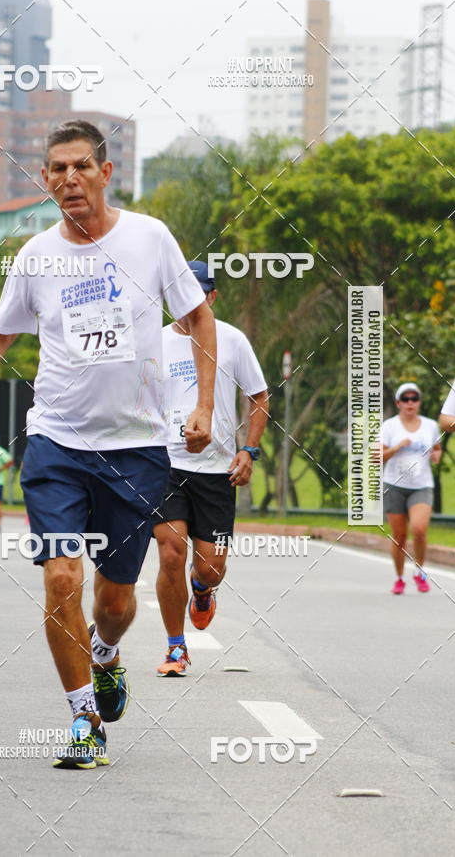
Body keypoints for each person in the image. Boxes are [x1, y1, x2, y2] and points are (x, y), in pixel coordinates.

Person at [0, 119, 216, 769]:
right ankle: (83, 720)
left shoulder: (149, 239)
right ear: (45, 181)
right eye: (56, 169)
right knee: (62, 578)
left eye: (81, 167)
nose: (69, 178)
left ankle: (105, 655)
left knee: (116, 600)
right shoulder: (35, 257)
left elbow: (197, 317)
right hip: (56, 443)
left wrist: (207, 405)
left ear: (105, 173)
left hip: (136, 450)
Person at [153, 262, 269, 676]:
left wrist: (249, 451)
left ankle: (202, 592)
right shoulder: (154, 341)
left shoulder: (232, 341)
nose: (188, 302)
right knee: (170, 552)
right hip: (165, 464)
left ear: (212, 297)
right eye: (180, 293)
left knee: (210, 566)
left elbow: (258, 396)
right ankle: (175, 647)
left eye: (197, 294)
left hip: (217, 470)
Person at [382, 382, 442, 594]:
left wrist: (436, 456)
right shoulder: (389, 426)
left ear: (419, 403)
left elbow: (436, 449)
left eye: (414, 399)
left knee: (419, 529)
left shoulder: (430, 426)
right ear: (398, 403)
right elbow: (378, 457)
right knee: (399, 537)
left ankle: (420, 572)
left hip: (421, 485)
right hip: (394, 485)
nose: (410, 403)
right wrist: (398, 447)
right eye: (405, 399)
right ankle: (399, 578)